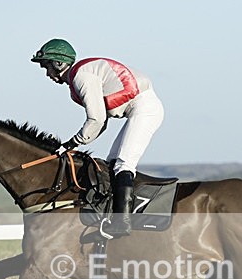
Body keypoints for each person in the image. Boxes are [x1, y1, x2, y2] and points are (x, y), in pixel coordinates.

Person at [31, 38, 164, 236]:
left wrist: (71, 143)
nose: (47, 73)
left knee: (123, 164)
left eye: (46, 66)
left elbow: (96, 120)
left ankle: (122, 223)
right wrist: (75, 144)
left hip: (145, 108)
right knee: (112, 164)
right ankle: (113, 213)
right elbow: (100, 123)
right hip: (138, 108)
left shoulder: (81, 77)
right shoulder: (78, 79)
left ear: (58, 63)